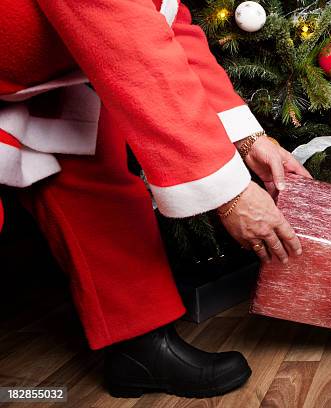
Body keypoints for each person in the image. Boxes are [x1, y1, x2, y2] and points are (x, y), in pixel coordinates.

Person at [0, 0, 310, 399]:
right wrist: (232, 195)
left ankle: (140, 348)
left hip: (32, 81)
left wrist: (249, 140)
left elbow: (166, 29)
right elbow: (136, 53)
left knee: (95, 181)